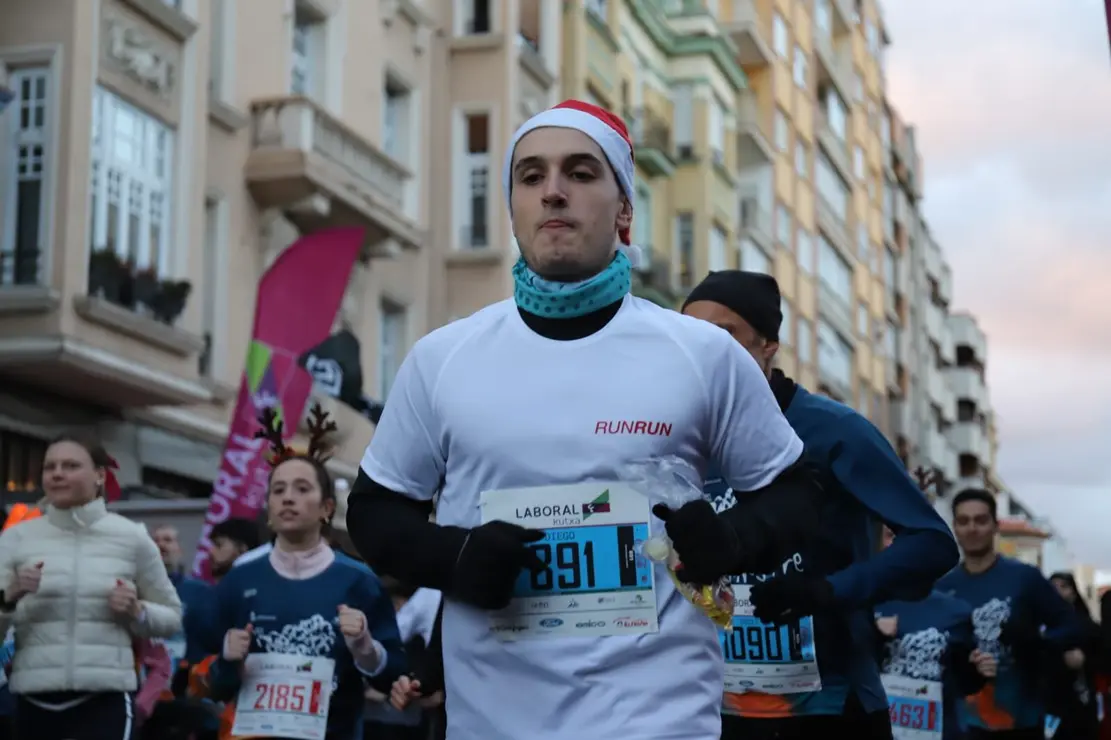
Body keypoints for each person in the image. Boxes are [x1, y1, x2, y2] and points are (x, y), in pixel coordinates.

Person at [346, 99, 827, 740]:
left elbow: (798, 493)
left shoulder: (702, 353)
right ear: (513, 207)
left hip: (660, 721)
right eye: (530, 176)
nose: (553, 191)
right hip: (495, 722)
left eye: (579, 172)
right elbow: (374, 511)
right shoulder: (443, 358)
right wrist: (454, 556)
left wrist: (731, 540)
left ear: (625, 209)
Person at [679, 270, 959, 740]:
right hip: (710, 710)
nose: (705, 351)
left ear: (769, 346)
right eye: (690, 336)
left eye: (724, 335)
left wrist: (828, 591)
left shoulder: (835, 431)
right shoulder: (678, 432)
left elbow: (933, 544)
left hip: (830, 707)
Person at [198, 405, 405, 740]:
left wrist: (365, 647)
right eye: (278, 490)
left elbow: (393, 676)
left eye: (302, 489)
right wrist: (228, 661)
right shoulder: (239, 580)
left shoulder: (359, 581)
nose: (288, 499)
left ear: (326, 508)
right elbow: (212, 685)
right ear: (268, 510)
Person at [0, 433, 183, 740]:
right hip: (33, 701)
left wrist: (137, 610)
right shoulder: (16, 538)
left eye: (70, 466)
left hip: (105, 700)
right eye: (50, 467)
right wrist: (9, 597)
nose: (57, 474)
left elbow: (172, 617)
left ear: (100, 475)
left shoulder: (132, 538)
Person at [937, 488, 1082, 740]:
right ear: (955, 528)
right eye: (964, 521)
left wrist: (1037, 644)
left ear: (995, 525)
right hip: (961, 722)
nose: (972, 528)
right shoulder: (943, 588)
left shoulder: (1024, 578)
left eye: (981, 520)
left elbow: (1070, 625)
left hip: (1020, 718)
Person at [875, 521, 985, 740]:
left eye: (910, 537)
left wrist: (979, 670)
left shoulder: (956, 611)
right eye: (890, 535)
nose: (899, 544)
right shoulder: (854, 603)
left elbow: (965, 683)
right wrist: (871, 629)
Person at [1046, 572, 1100, 740]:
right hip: (1049, 699)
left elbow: (1102, 657)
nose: (1058, 591)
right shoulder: (1038, 624)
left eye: (1063, 586)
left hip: (1080, 698)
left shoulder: (1086, 625)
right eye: (1053, 587)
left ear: (1073, 592)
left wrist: (1084, 659)